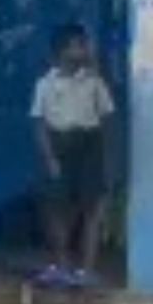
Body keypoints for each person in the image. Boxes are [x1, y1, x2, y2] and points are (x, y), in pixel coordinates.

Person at [30, 24, 116, 289]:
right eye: (77, 45)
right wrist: (50, 158)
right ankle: (61, 265)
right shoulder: (45, 83)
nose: (83, 51)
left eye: (83, 46)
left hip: (88, 145)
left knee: (92, 208)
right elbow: (39, 123)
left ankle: (86, 270)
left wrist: (106, 156)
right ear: (62, 50)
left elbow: (106, 116)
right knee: (57, 208)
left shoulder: (94, 81)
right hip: (59, 145)